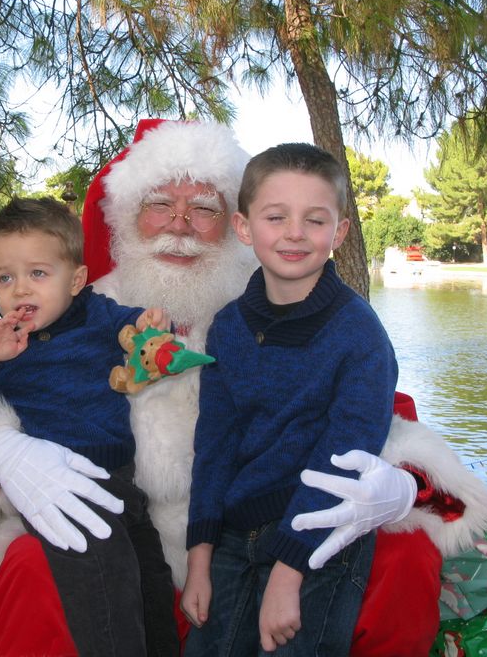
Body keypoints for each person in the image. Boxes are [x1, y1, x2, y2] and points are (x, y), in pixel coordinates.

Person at [0, 119, 487, 657]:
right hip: (113, 525)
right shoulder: (73, 309)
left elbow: (372, 404)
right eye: (160, 203)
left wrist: (403, 483)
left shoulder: (269, 312)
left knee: (400, 555)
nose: (181, 224)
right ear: (124, 220)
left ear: (236, 225)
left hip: (250, 531)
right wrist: (2, 448)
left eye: (204, 207)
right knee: (33, 562)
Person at [0, 197, 179, 657]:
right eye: (5, 278)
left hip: (121, 482)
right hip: (58, 489)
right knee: (108, 593)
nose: (21, 290)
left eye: (38, 274)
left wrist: (152, 322)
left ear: (76, 280)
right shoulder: (1, 344)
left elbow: (136, 326)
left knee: (152, 584)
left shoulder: (96, 314)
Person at [182, 143, 396, 656]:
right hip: (235, 533)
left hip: (320, 533)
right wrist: (199, 556)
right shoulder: (228, 328)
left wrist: (288, 570)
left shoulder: (360, 335)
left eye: (315, 220)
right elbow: (214, 446)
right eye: (276, 217)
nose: (295, 233)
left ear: (339, 232)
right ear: (244, 227)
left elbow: (343, 460)